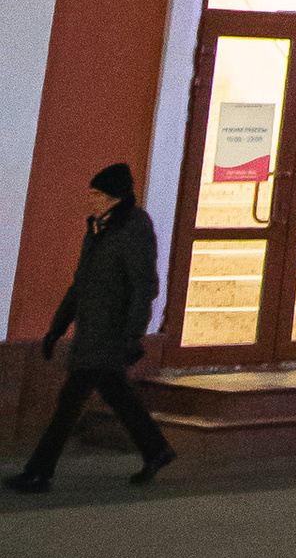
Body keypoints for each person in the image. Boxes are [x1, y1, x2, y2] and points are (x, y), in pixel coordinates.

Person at [6, 164, 176, 492]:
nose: (89, 199)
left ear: (114, 196)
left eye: (96, 193)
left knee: (69, 402)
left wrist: (131, 334)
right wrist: (56, 328)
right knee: (116, 393)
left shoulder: (134, 228)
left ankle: (40, 473)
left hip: (110, 334)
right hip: (91, 331)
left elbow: (144, 285)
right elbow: (80, 283)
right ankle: (157, 449)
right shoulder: (98, 227)